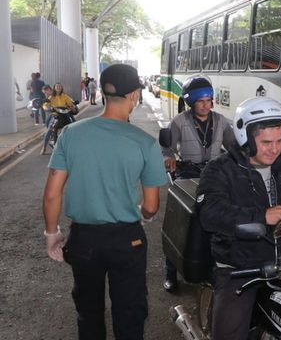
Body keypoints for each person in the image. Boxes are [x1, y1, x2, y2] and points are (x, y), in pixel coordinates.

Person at [42, 64, 167, 340]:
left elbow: (52, 193)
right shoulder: (145, 143)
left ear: (102, 92)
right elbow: (151, 206)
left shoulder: (71, 134)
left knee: (88, 313)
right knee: (130, 313)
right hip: (127, 240)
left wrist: (53, 233)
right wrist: (142, 215)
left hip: (83, 239)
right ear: (134, 94)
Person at [197, 96, 281, 340]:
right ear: (246, 138)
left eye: (278, 141)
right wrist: (262, 216)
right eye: (265, 142)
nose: (274, 149)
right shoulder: (221, 169)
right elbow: (210, 213)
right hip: (239, 271)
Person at [161, 75, 234, 292]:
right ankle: (170, 272)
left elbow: (233, 147)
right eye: (201, 101)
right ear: (191, 102)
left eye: (209, 100)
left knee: (222, 220)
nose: (206, 105)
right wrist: (168, 157)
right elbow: (167, 147)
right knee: (181, 224)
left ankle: (214, 267)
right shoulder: (179, 122)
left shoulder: (221, 121)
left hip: (213, 175)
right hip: (187, 173)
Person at [40, 83, 78, 155]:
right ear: (54, 88)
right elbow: (45, 105)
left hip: (65, 114)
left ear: (61, 88)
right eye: (57, 86)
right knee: (49, 130)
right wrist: (48, 108)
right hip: (55, 115)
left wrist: (73, 106)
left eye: (59, 86)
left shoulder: (65, 96)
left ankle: (74, 145)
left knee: (73, 126)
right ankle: (44, 147)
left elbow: (71, 103)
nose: (58, 87)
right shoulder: (51, 97)